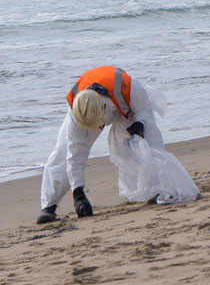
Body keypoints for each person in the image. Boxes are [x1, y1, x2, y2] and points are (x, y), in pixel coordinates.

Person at [36, 65, 166, 224]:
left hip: (125, 108)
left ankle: (156, 189)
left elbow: (144, 109)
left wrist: (140, 123)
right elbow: (74, 156)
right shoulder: (77, 114)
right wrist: (78, 193)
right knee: (62, 151)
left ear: (103, 110)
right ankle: (49, 205)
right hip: (85, 112)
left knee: (145, 140)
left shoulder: (130, 87)